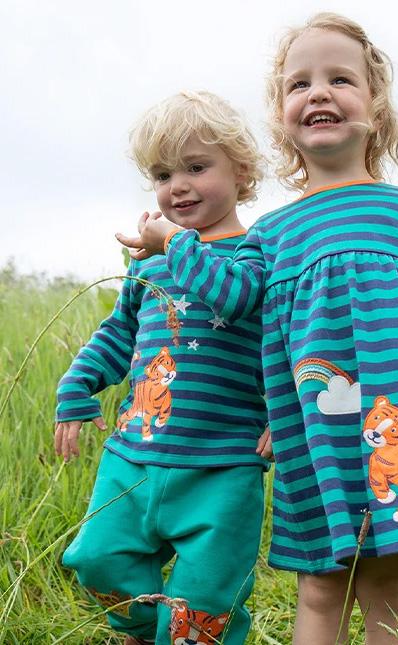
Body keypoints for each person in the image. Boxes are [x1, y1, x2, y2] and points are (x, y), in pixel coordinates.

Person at [117, 14, 398, 644]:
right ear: (282, 117)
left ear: (376, 106)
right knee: (320, 584)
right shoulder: (271, 233)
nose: (318, 92)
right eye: (300, 84)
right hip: (312, 433)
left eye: (340, 79)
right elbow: (233, 298)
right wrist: (175, 244)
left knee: (390, 585)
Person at [55, 90, 272, 645]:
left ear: (241, 171)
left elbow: (235, 298)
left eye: (196, 168)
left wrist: (173, 242)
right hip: (135, 454)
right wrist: (77, 384)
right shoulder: (149, 265)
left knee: (206, 600)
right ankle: (146, 630)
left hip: (223, 464)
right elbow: (119, 333)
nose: (177, 186)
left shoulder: (256, 253)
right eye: (162, 174)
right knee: (97, 559)